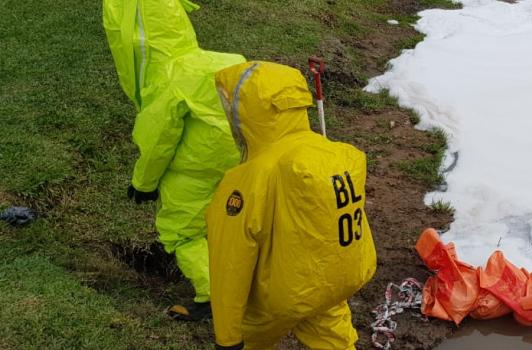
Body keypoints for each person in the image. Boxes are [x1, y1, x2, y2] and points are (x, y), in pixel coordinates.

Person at [207, 61, 377, 350]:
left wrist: (228, 338)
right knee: (333, 339)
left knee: (252, 340)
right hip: (333, 286)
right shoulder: (335, 154)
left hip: (282, 296)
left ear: (247, 111)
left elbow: (230, 262)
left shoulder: (251, 178)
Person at [103, 0, 245, 320]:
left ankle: (216, 299)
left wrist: (144, 183)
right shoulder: (225, 61)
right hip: (245, 159)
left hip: (195, 169)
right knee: (234, 223)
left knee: (182, 231)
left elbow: (157, 142)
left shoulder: (165, 82)